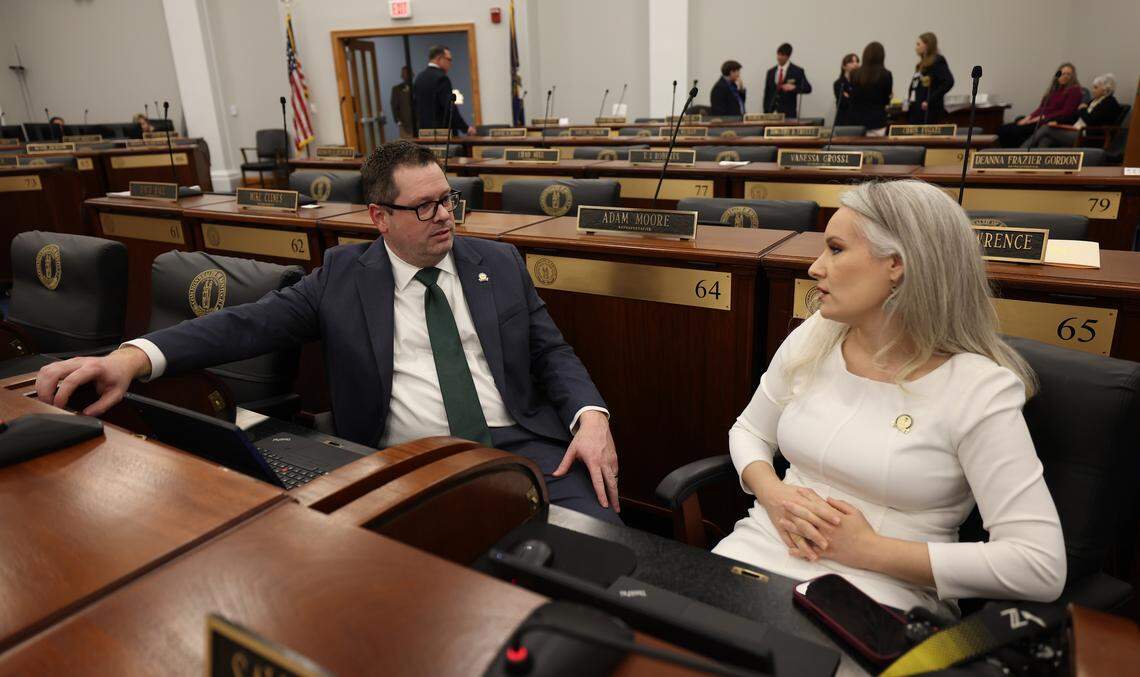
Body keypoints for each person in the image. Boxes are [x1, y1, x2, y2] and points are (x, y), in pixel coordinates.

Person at [34, 140, 622, 525]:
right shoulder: (342, 277)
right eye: (424, 207)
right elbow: (246, 324)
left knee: (603, 548)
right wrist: (132, 358)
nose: (444, 215)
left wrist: (591, 416)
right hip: (402, 463)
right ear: (379, 218)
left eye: (448, 199)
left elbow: (552, 352)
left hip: (519, 446)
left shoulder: (499, 262)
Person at [711, 180, 1066, 614]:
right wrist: (772, 493)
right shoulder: (817, 333)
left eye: (836, 249)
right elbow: (748, 430)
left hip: (883, 593)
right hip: (758, 549)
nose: (815, 268)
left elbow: (1039, 565)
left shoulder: (978, 389)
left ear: (895, 264)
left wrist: (867, 549)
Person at [1023, 73, 1122, 148]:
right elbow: (1074, 116)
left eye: (1096, 88)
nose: (1092, 90)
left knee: (1046, 129)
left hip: (1087, 136)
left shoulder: (1110, 103)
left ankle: (1020, 153)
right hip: (1075, 131)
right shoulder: (1094, 101)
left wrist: (1083, 109)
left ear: (1105, 90)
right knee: (1046, 138)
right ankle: (1039, 166)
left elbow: (1092, 121)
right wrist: (1057, 122)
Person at [996, 63, 1083, 148]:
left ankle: (1017, 154)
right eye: (1063, 73)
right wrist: (1029, 117)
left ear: (1073, 76)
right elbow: (1041, 108)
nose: (1065, 76)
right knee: (1003, 129)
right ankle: (1006, 155)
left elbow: (1066, 112)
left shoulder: (1074, 90)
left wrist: (1043, 117)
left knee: (1016, 131)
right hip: (1038, 118)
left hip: (1050, 121)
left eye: (1068, 74)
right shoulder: (1053, 89)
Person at [412, 45, 476, 136]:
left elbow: (415, 106)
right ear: (439, 59)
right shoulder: (441, 78)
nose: (450, 63)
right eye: (449, 59)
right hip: (443, 134)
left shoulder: (419, 78)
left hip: (424, 134)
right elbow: (449, 108)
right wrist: (466, 128)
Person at [906, 32, 954, 124]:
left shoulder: (937, 61)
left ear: (927, 45)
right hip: (916, 112)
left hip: (929, 112)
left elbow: (948, 82)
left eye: (918, 44)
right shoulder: (920, 65)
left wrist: (930, 100)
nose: (916, 47)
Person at [846, 42, 893, 136]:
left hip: (856, 122)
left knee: (857, 150)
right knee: (876, 150)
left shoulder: (854, 74)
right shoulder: (886, 74)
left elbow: (853, 97)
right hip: (877, 121)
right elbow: (886, 100)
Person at [763, 43, 812, 118]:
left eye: (782, 55)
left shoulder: (797, 71)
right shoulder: (771, 72)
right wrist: (766, 112)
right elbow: (767, 93)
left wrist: (794, 88)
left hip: (788, 114)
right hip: (771, 113)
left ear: (788, 56)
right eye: (778, 54)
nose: (779, 57)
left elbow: (808, 88)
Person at [832, 53, 859, 126]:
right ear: (844, 66)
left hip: (858, 121)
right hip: (843, 121)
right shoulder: (839, 83)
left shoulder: (861, 83)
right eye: (852, 62)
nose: (856, 64)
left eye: (857, 61)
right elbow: (843, 103)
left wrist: (849, 96)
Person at [390, 65, 415, 139]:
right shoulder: (397, 89)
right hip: (404, 125)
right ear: (402, 75)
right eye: (404, 74)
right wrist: (398, 121)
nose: (406, 76)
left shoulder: (417, 87)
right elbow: (394, 105)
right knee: (406, 146)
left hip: (417, 125)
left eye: (408, 73)